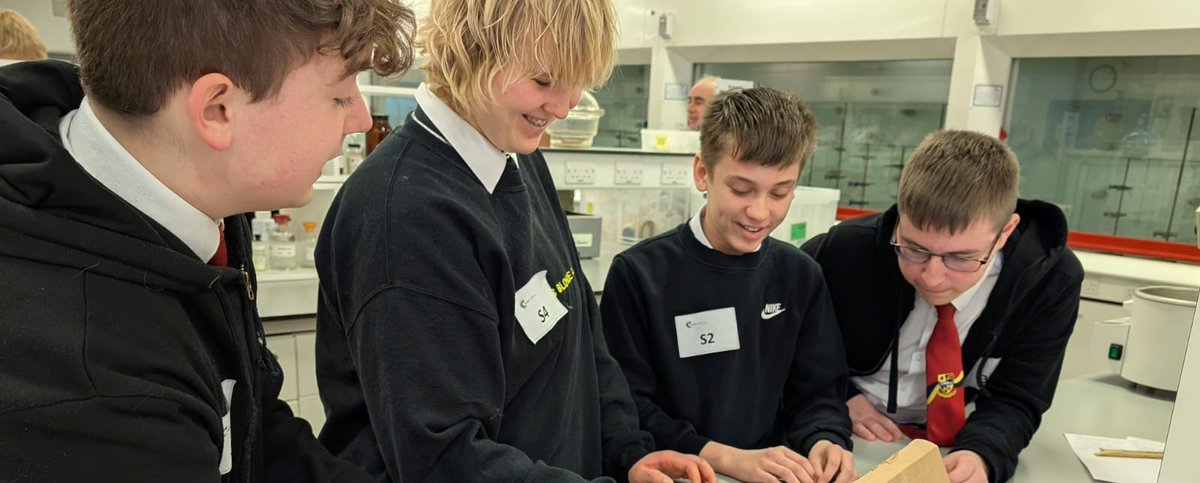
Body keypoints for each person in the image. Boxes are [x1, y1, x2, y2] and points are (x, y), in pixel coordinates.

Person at [0, 0, 415, 481]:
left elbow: (252, 425)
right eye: (341, 95)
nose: (361, 119)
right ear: (216, 110)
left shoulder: (190, 203)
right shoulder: (89, 386)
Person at [313, 0, 716, 482]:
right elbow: (444, 459)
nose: (564, 107)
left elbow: (582, 336)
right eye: (544, 81)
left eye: (577, 82)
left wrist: (627, 453)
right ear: (471, 52)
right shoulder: (405, 213)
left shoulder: (516, 156)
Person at [601, 87, 856, 483]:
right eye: (741, 189)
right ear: (703, 172)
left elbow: (819, 393)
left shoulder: (800, 275)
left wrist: (825, 438)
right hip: (676, 471)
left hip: (772, 472)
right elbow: (626, 405)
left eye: (780, 192)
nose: (759, 211)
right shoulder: (640, 274)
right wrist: (724, 457)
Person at [801, 130, 1084, 483]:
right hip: (840, 435)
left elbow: (1019, 396)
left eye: (960, 258)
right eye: (913, 248)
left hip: (956, 443)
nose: (932, 278)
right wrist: (839, 396)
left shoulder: (1050, 280)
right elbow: (789, 347)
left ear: (1006, 231)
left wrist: (982, 453)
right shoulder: (842, 251)